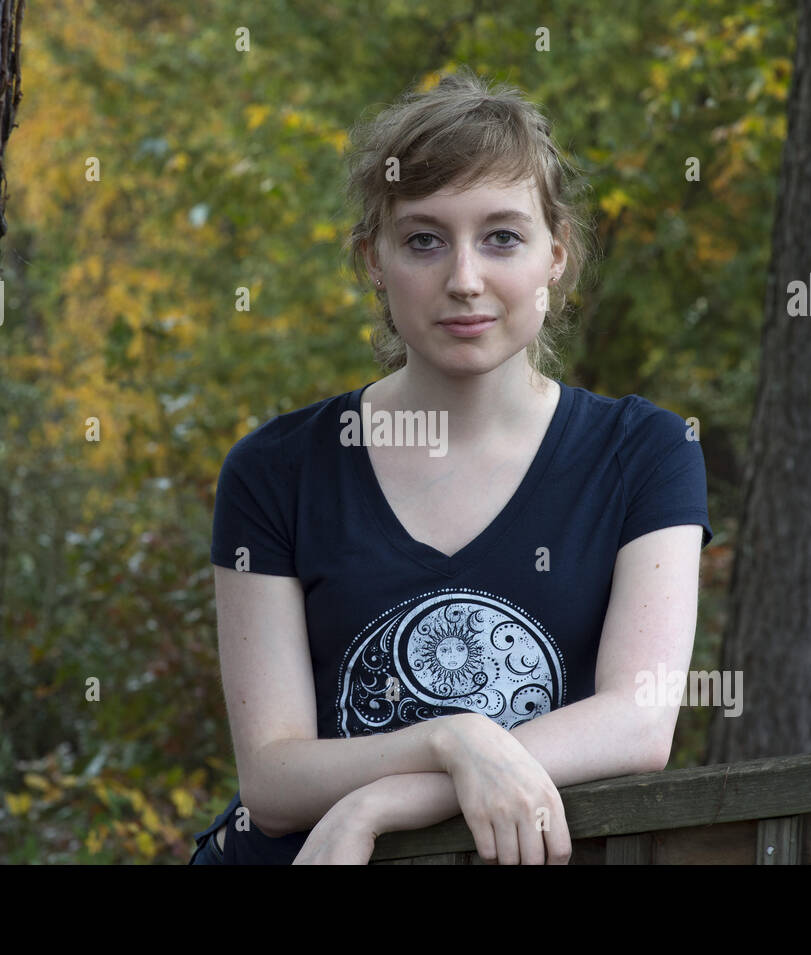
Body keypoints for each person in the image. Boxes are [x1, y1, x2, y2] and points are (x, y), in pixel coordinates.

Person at [188, 68, 711, 865]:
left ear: (556, 257)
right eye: (424, 240)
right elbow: (274, 775)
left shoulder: (644, 454)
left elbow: (638, 724)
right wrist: (453, 737)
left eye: (502, 236)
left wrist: (389, 796)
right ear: (374, 260)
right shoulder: (277, 471)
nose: (464, 279)